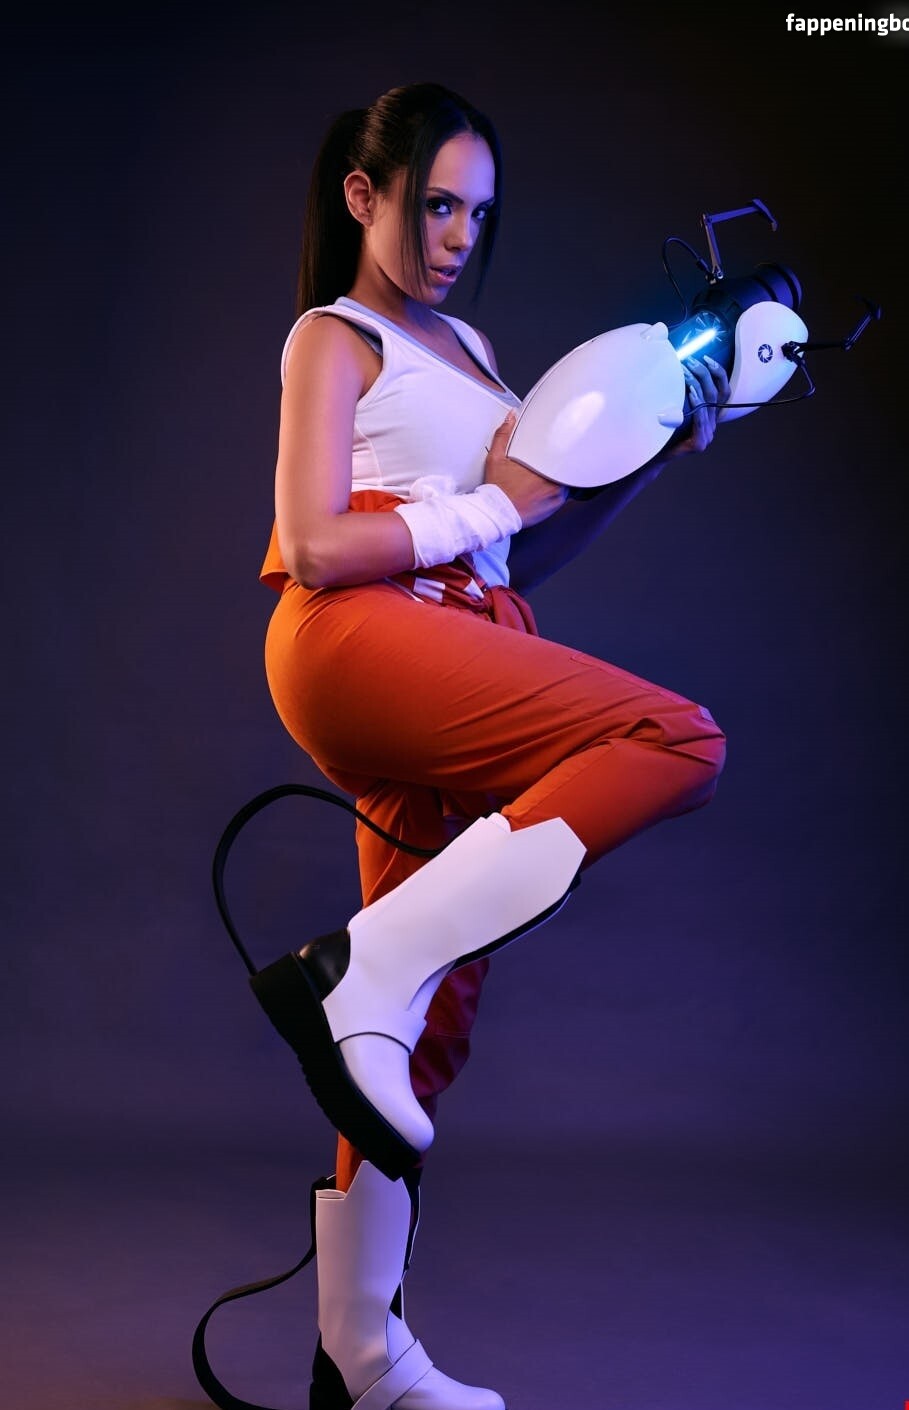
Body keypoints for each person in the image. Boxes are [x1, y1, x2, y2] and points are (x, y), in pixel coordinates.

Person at [253, 81, 729, 1410]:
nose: (459, 235)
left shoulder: (468, 345)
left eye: (478, 212)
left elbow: (523, 547)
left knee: (424, 1028)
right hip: (358, 633)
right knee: (674, 737)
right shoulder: (334, 338)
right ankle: (360, 969)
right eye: (434, 204)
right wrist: (491, 504)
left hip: (460, 638)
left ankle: (359, 1357)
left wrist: (648, 460)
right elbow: (314, 541)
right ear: (363, 197)